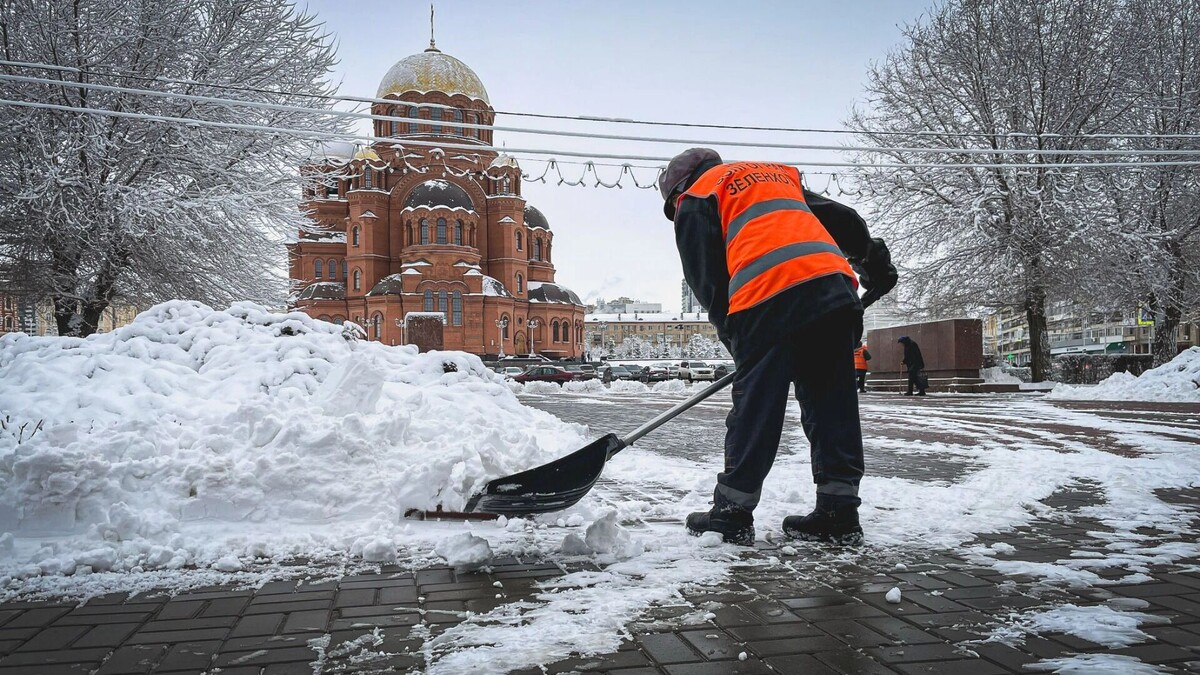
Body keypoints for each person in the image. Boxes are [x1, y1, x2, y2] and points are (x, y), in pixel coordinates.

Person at [659, 148, 897, 546]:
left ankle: (732, 514)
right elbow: (844, 220)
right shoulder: (775, 178)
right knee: (832, 404)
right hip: (833, 292)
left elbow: (710, 284)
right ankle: (838, 512)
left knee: (756, 407)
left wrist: (738, 340)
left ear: (677, 189)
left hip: (766, 296)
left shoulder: (697, 196)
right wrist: (873, 263)